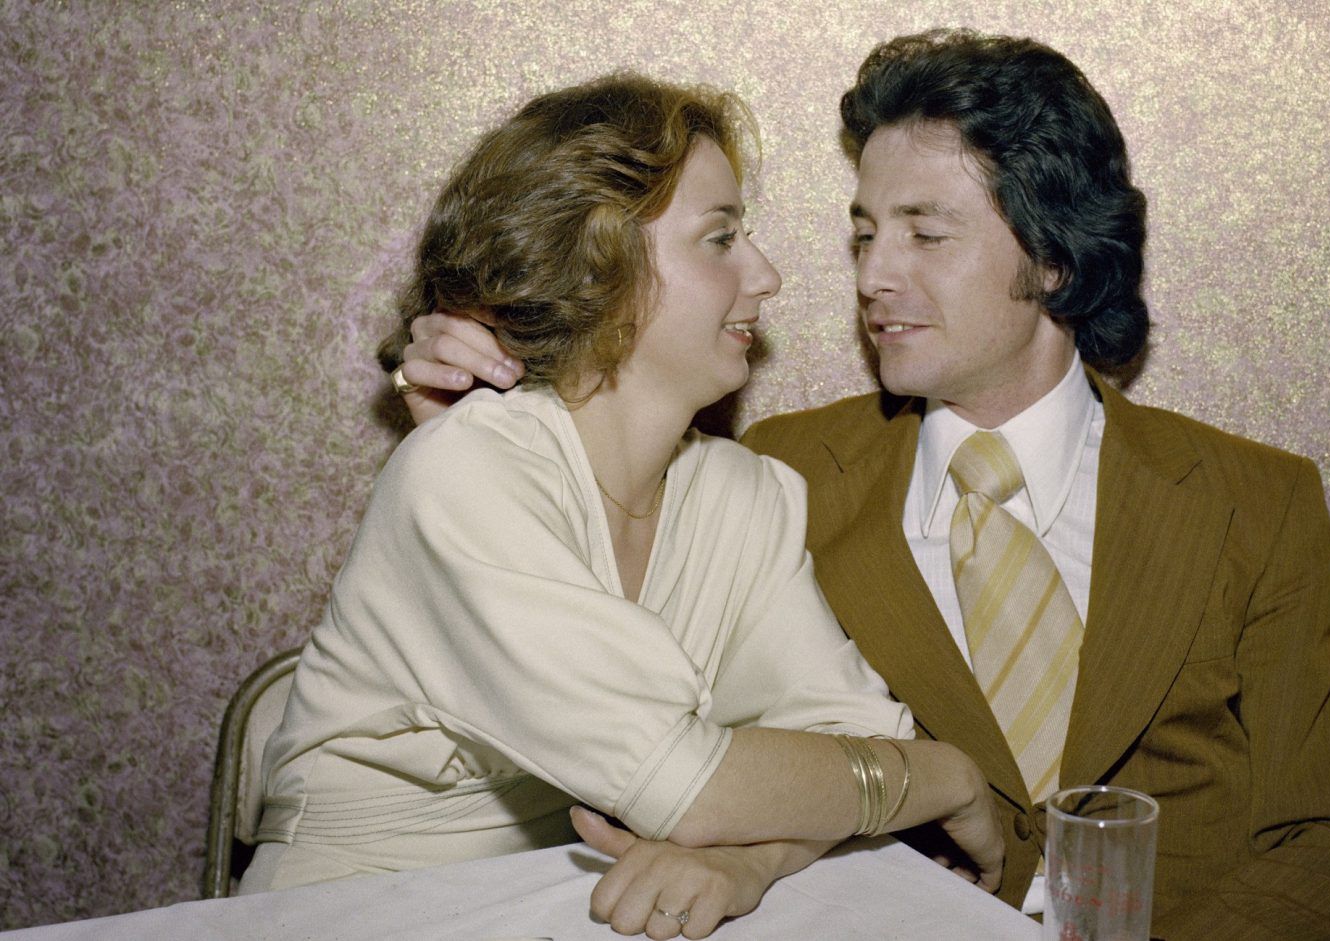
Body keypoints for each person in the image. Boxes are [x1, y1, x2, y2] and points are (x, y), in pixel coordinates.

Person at [400, 31, 1330, 940]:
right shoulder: (776, 477)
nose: (872, 275)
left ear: (1055, 257)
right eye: (863, 233)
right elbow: (607, 686)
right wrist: (495, 378)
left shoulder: (1254, 501)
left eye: (925, 234)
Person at [244, 73, 1009, 940]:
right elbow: (689, 782)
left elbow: (843, 732)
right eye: (720, 238)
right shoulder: (463, 469)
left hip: (568, 910)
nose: (766, 275)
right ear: (596, 267)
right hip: (346, 912)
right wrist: (948, 777)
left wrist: (749, 859)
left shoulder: (742, 492)